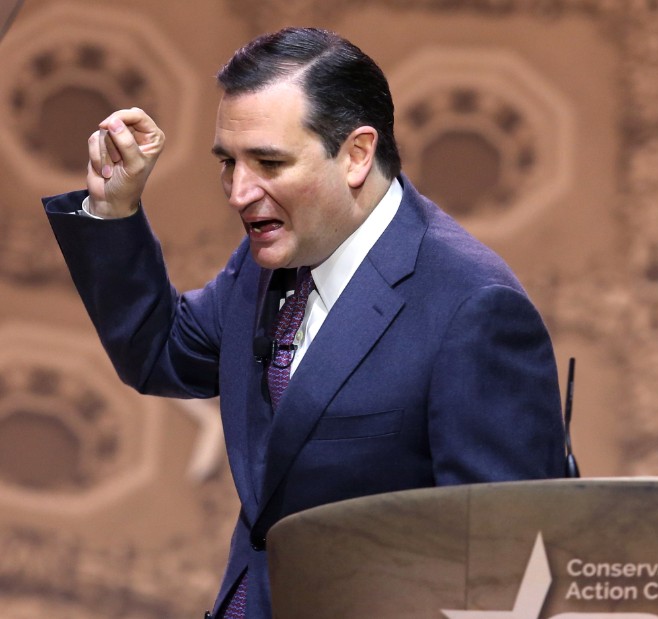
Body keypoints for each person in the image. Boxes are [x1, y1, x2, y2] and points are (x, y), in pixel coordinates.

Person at [43, 27, 566, 619]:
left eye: (268, 162)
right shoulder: (269, 259)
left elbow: (505, 564)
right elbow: (162, 351)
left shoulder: (473, 308)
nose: (240, 192)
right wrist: (114, 211)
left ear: (356, 154)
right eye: (229, 163)